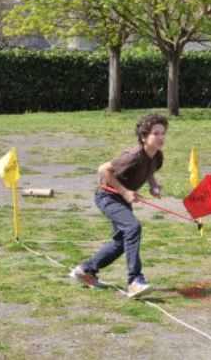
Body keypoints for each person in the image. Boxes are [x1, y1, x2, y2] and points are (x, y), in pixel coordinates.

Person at [70, 113, 168, 299]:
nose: (161, 137)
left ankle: (85, 270)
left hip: (121, 199)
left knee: (123, 241)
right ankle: (135, 281)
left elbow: (150, 171)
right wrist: (124, 191)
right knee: (133, 228)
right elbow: (103, 169)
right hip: (107, 196)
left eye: (163, 133)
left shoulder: (157, 156)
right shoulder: (133, 156)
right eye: (156, 133)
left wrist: (154, 186)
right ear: (144, 137)